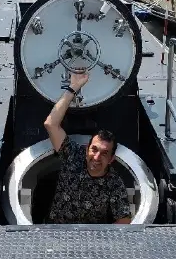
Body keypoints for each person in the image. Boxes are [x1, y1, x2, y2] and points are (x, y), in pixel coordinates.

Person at [43, 71, 132, 224]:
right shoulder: (73, 156)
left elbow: (123, 221)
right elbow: (51, 124)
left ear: (111, 160)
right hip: (56, 231)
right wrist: (74, 87)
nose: (97, 157)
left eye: (104, 153)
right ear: (86, 150)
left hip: (91, 239)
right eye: (94, 149)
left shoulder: (114, 182)